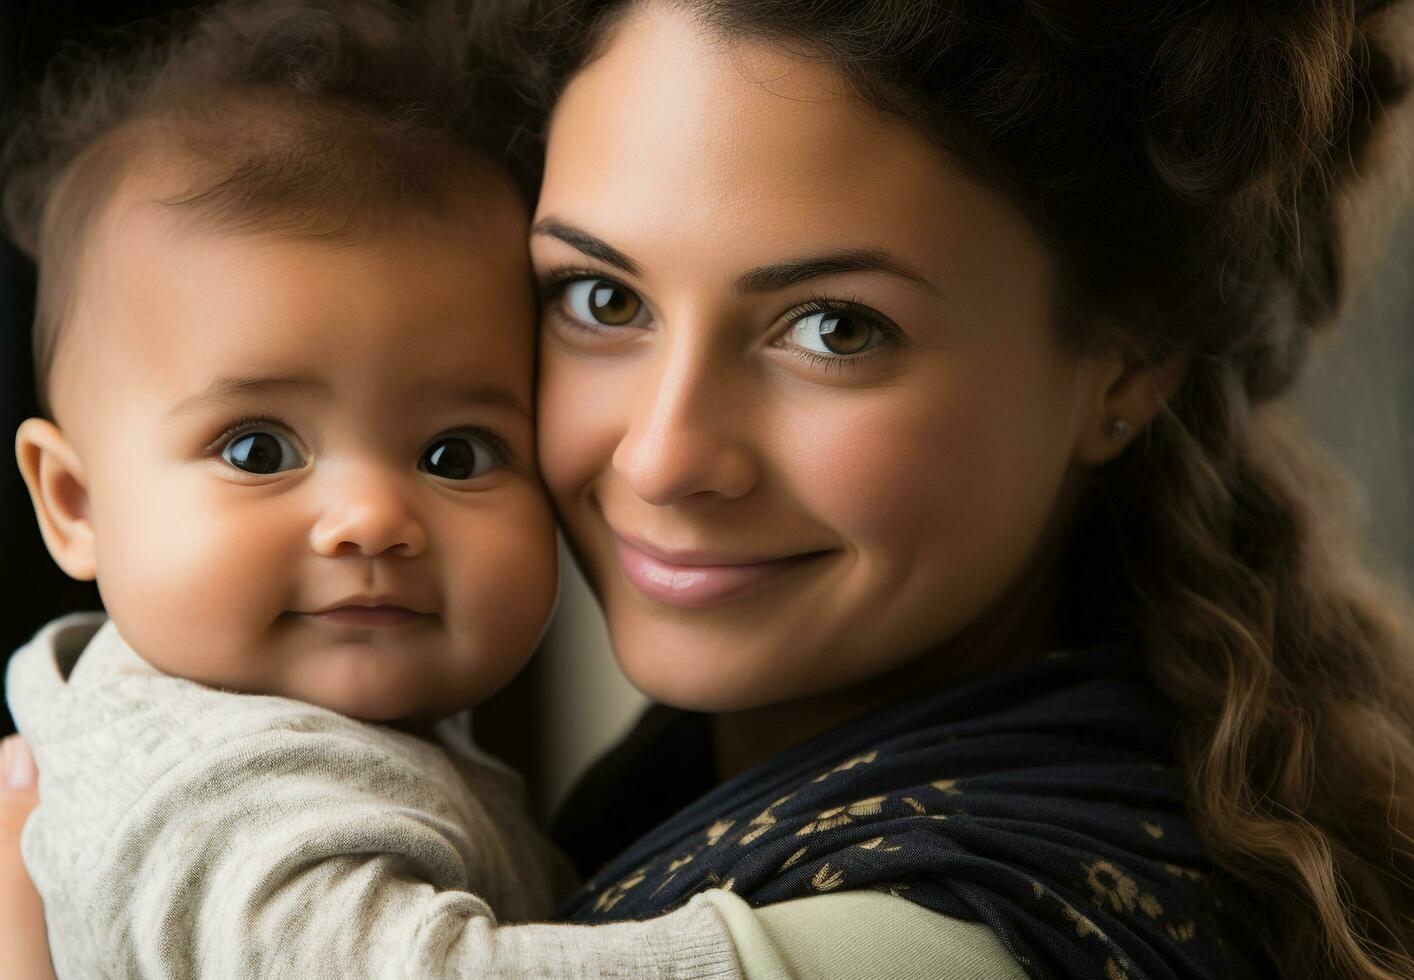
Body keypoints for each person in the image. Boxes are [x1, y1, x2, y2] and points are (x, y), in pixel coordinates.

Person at [5, 0, 1414, 977]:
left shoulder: (957, 939)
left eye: (833, 329)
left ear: (1121, 365)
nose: (668, 454)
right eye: (601, 296)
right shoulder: (664, 789)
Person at [0, 0, 579, 974]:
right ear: (76, 502)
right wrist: (762, 951)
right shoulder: (213, 787)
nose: (373, 519)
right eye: (259, 449)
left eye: (456, 454)